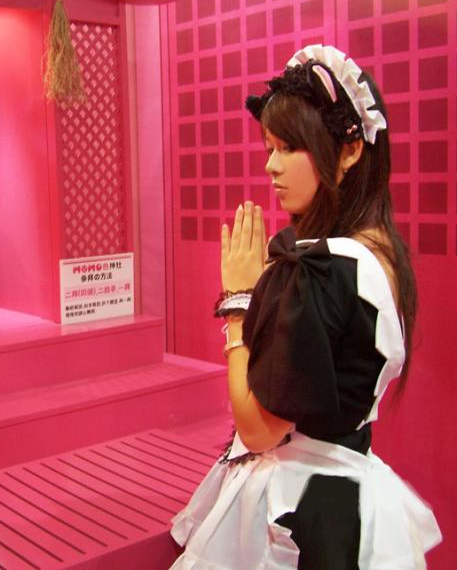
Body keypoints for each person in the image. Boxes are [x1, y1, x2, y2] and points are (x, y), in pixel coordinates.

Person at [169, 45, 441, 569]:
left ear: (350, 150)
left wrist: (237, 304)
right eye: (270, 147)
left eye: (289, 147)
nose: (271, 166)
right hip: (356, 494)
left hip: (296, 507)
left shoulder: (321, 269)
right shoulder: (382, 253)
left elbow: (258, 429)